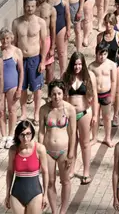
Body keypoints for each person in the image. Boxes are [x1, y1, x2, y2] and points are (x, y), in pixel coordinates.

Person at [38, 80, 76, 214]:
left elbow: (72, 133)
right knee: (50, 182)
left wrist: (71, 154)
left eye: (59, 93)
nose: (57, 97)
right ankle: (55, 211)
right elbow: (41, 132)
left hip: (64, 151)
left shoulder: (70, 109)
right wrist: (40, 151)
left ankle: (63, 211)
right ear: (49, 94)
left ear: (64, 93)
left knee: (65, 181)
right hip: (47, 151)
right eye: (54, 94)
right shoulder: (44, 109)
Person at [12, 0, 48, 126]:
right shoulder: (16, 22)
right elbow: (14, 42)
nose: (30, 9)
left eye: (33, 6)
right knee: (22, 87)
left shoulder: (40, 22)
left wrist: (43, 61)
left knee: (36, 89)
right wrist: (14, 60)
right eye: (28, 6)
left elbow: (44, 42)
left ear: (36, 6)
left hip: (35, 58)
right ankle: (23, 113)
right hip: (21, 58)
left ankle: (37, 114)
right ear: (24, 6)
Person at [62, 51, 97, 185]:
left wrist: (94, 115)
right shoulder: (66, 76)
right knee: (72, 142)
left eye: (80, 64)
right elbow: (62, 96)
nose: (77, 67)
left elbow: (95, 98)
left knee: (85, 143)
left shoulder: (89, 77)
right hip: (70, 114)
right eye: (75, 64)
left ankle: (86, 172)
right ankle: (71, 170)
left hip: (84, 112)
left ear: (83, 64)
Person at [5, 120, 49, 214]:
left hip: (35, 194)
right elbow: (10, 172)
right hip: (16, 194)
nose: (25, 138)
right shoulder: (13, 150)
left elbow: (45, 172)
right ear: (17, 135)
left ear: (32, 133)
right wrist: (7, 194)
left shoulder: (40, 149)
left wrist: (45, 195)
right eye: (22, 134)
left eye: (28, 134)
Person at [0, 27, 23, 148]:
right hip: (0, 86)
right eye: (2, 39)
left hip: (13, 84)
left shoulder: (16, 51)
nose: (5, 41)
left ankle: (11, 135)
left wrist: (19, 88)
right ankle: (3, 136)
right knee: (0, 111)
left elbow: (21, 71)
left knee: (12, 110)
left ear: (11, 38)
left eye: (7, 38)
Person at [89, 44, 118, 146]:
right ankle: (94, 137)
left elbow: (114, 81)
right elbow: (89, 84)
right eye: (100, 54)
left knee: (107, 117)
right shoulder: (91, 66)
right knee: (95, 116)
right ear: (96, 54)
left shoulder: (111, 65)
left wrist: (112, 96)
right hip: (96, 95)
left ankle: (107, 137)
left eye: (105, 54)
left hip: (106, 94)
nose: (102, 57)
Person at [34, 0, 55, 84]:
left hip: (46, 38)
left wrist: (52, 46)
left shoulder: (51, 9)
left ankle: (50, 91)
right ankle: (38, 88)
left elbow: (53, 28)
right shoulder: (33, 8)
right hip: (35, 40)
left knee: (49, 66)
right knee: (36, 64)